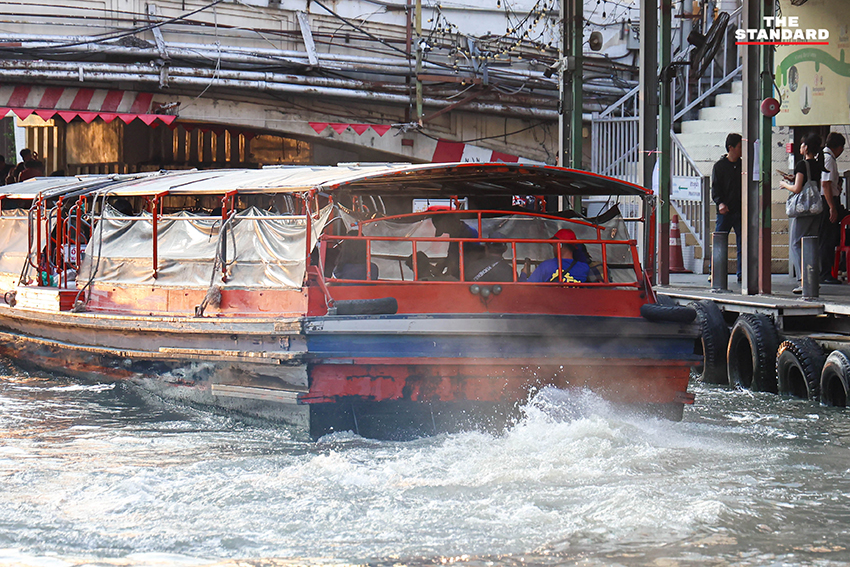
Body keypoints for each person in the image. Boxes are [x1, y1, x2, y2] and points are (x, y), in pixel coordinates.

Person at [781, 132, 824, 294]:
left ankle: (802, 279)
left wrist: (785, 184)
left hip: (803, 210)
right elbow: (810, 183)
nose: (800, 147)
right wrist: (794, 179)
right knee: (811, 244)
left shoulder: (801, 165)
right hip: (815, 208)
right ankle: (813, 279)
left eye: (802, 145)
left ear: (806, 148)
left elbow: (797, 189)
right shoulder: (817, 164)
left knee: (795, 243)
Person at [711, 133, 743, 282]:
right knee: (720, 241)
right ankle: (715, 272)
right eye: (740, 146)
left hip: (741, 210)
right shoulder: (719, 166)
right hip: (725, 212)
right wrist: (720, 203)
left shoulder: (744, 165)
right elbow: (715, 189)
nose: (742, 149)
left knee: (743, 243)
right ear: (731, 148)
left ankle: (742, 272)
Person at [818, 132, 846, 284]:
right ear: (839, 147)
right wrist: (832, 207)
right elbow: (825, 184)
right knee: (827, 238)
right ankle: (825, 273)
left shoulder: (825, 157)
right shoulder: (828, 159)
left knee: (829, 237)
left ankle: (829, 270)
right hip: (827, 201)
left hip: (829, 199)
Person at [520, 228, 590, 283]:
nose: (553, 249)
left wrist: (523, 274)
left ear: (559, 245)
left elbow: (525, 290)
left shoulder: (546, 266)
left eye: (554, 246)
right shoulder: (585, 268)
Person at [432, 214, 483, 279]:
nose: (447, 232)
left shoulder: (470, 233)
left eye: (445, 230)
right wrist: (443, 264)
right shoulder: (454, 233)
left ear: (450, 225)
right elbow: (452, 254)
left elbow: (473, 258)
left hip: (465, 275)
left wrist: (450, 273)